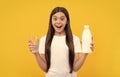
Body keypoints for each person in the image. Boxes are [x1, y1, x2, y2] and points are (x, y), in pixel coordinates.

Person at [28, 7, 94, 77]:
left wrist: (85, 53)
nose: (58, 22)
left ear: (67, 21)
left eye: (62, 19)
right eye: (55, 19)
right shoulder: (44, 40)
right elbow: (45, 68)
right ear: (51, 21)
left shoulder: (75, 39)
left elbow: (75, 67)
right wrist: (36, 53)